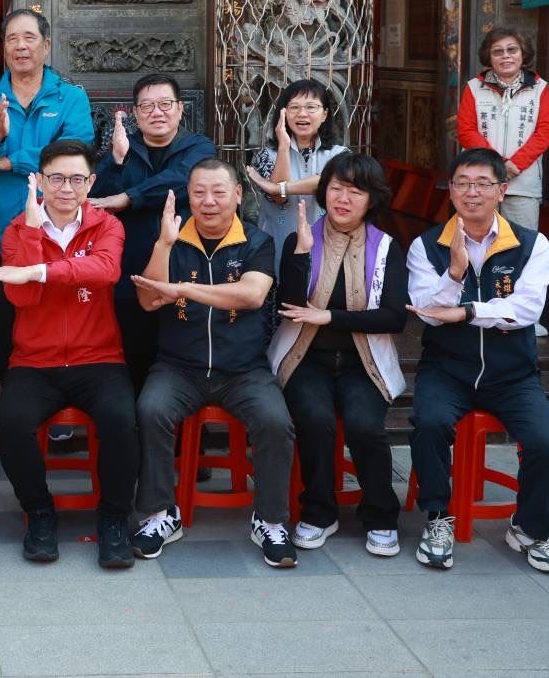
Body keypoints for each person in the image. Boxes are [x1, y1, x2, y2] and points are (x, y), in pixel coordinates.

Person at [0, 141, 138, 569]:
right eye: (57, 178)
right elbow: (22, 298)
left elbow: (106, 271)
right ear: (40, 181)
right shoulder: (16, 230)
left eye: (77, 179)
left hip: (98, 357)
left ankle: (114, 518)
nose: (67, 188)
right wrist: (32, 233)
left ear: (91, 182)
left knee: (122, 419)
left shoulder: (106, 225)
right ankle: (39, 513)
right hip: (35, 360)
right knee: (12, 423)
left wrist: (40, 271)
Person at [407, 147, 549, 573]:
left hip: (512, 375)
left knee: (548, 445)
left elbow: (527, 310)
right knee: (428, 423)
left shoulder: (532, 244)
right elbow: (428, 312)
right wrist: (455, 273)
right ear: (450, 190)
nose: (471, 192)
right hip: (447, 369)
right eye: (462, 183)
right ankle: (438, 518)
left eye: (482, 184)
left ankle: (529, 527)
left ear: (502, 190)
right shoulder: (427, 246)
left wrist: (467, 311)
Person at [131, 158, 294, 568]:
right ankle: (160, 513)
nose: (208, 201)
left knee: (275, 421)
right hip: (178, 367)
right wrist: (163, 245)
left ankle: (270, 520)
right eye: (199, 192)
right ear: (188, 196)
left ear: (237, 195)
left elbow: (252, 295)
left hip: (243, 369)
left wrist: (184, 289)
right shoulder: (172, 238)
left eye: (219, 192)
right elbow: (148, 300)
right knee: (150, 410)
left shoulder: (256, 241)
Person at [0, 9, 94, 435]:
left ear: (46, 46)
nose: (20, 46)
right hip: (5, 233)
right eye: (12, 38)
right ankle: (12, 401)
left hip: (61, 231)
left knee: (56, 320)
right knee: (3, 322)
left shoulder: (70, 98)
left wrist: (9, 160)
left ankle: (56, 407)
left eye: (29, 37)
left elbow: (75, 154)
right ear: (3, 48)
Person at [270, 155, 406, 558]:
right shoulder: (301, 238)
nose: (343, 198)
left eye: (355, 191)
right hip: (306, 359)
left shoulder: (387, 248)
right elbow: (288, 306)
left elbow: (394, 318)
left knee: (365, 426)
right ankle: (319, 512)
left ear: (372, 199)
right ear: (323, 192)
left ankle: (380, 515)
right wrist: (300, 255)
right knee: (315, 420)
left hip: (363, 363)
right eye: (336, 188)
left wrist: (330, 316)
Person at [91, 73, 216, 390]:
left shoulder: (199, 147)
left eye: (165, 104)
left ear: (180, 109)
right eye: (147, 106)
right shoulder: (123, 149)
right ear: (135, 113)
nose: (156, 112)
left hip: (187, 273)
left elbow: (184, 179)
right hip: (131, 275)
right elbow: (98, 199)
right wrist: (116, 161)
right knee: (134, 361)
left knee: (185, 365)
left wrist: (130, 197)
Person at [457, 27, 549, 336]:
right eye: (498, 51)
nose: (505, 56)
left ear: (523, 54)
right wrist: (497, 165)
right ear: (488, 57)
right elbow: (466, 129)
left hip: (523, 183)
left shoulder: (540, 88)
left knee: (524, 248)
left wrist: (515, 164)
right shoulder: (474, 87)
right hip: (480, 184)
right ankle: (479, 308)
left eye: (512, 50)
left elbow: (546, 131)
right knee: (477, 245)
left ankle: (526, 315)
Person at [246, 79, 348, 265]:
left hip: (326, 249)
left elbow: (330, 181)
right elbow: (278, 198)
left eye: (311, 107)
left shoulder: (340, 154)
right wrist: (284, 146)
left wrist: (279, 187)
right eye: (294, 107)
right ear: (283, 113)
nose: (302, 113)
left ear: (324, 114)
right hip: (276, 248)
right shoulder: (266, 156)